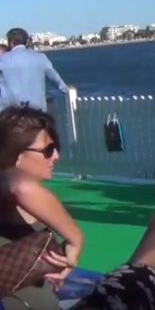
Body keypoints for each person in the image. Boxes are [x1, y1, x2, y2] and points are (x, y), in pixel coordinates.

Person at [0, 107, 83, 310]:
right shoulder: (7, 187)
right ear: (17, 155)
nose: (56, 156)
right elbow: (22, 187)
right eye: (48, 150)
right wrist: (76, 238)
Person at [0, 29, 68, 112]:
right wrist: (66, 91)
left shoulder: (3, 59)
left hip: (10, 112)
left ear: (11, 42)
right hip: (37, 111)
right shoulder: (40, 57)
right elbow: (55, 78)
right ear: (26, 41)